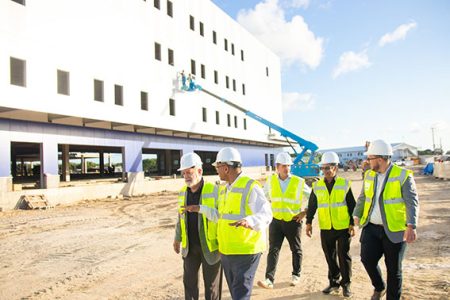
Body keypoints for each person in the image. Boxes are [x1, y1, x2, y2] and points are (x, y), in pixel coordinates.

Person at [184, 147, 273, 300]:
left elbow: (266, 214)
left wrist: (249, 220)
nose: (217, 171)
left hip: (246, 250)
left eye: (217, 167)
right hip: (228, 250)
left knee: (240, 294)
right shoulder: (226, 189)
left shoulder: (250, 186)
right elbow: (220, 216)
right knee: (235, 293)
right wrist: (200, 208)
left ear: (225, 168)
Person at [353, 139, 419, 300]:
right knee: (367, 260)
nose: (367, 161)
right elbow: (362, 198)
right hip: (371, 228)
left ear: (380, 159)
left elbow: (412, 202)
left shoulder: (402, 176)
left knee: (394, 271)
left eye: (370, 158)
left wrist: (412, 225)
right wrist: (356, 214)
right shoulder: (369, 175)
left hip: (395, 230)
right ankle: (379, 286)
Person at [257, 152, 311, 289]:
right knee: (273, 250)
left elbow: (313, 197)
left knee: (296, 249)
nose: (286, 168)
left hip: (293, 221)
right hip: (276, 221)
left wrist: (305, 212)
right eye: (283, 166)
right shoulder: (271, 181)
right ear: (277, 167)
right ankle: (269, 279)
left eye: (288, 165)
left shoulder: (298, 182)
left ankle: (296, 275)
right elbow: (262, 197)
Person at [305, 151, 355, 297]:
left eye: (329, 167)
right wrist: (308, 222)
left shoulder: (344, 184)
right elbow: (312, 205)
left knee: (343, 256)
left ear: (336, 167)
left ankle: (346, 285)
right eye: (324, 168)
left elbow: (352, 205)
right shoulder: (317, 186)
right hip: (326, 227)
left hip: (342, 227)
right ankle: (334, 282)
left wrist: (352, 223)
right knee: (330, 256)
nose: (326, 171)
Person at [173, 152, 222, 300]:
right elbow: (180, 217)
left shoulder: (215, 191)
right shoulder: (182, 193)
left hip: (211, 247)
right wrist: (177, 238)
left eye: (189, 172)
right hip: (190, 248)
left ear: (199, 171)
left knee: (212, 286)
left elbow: (221, 217)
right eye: (184, 173)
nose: (186, 176)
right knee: (189, 283)